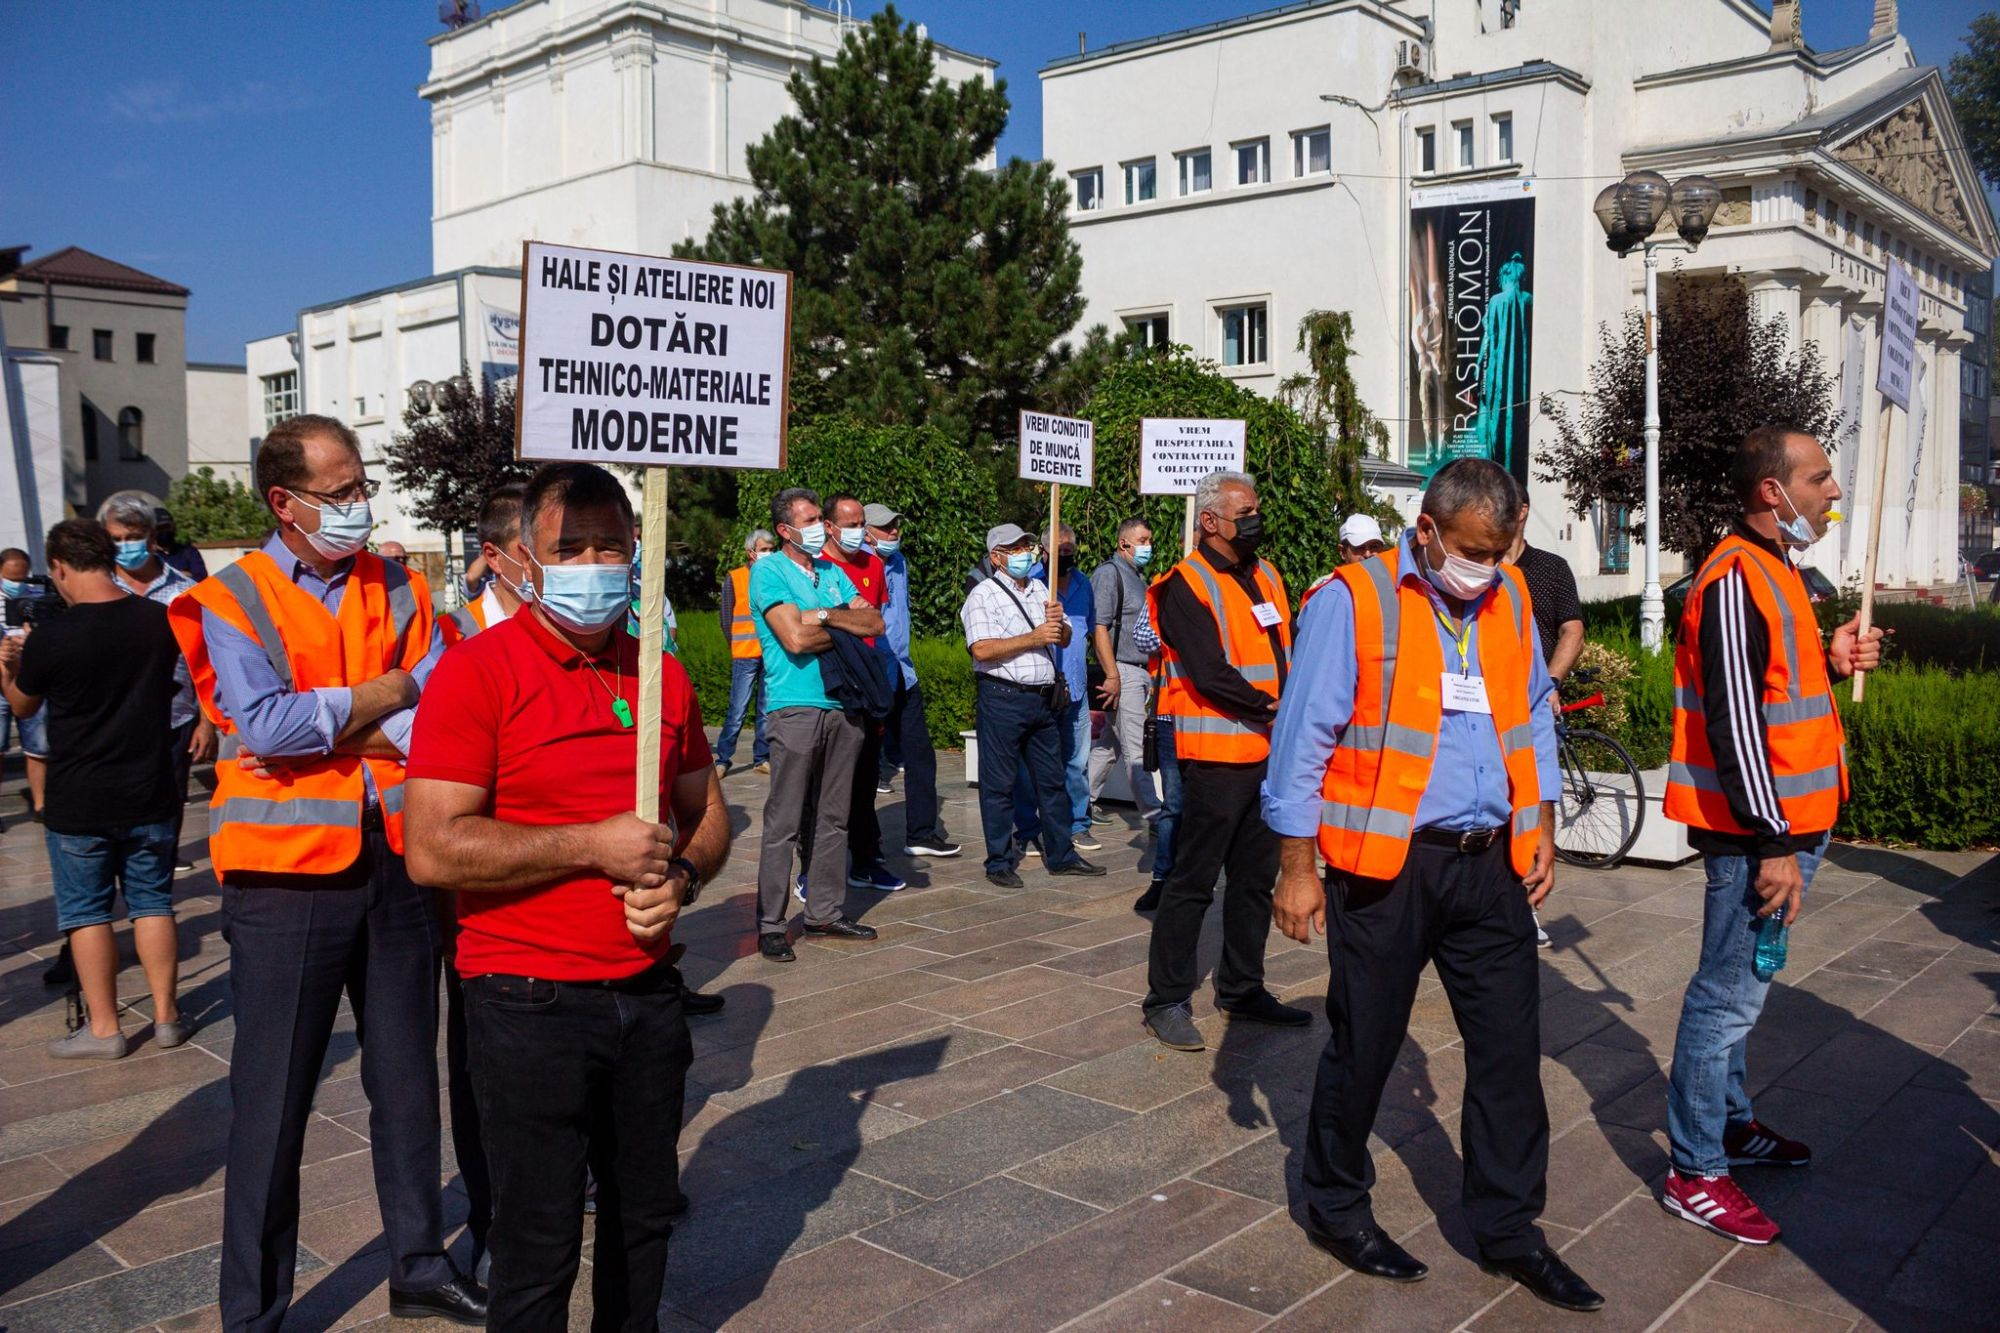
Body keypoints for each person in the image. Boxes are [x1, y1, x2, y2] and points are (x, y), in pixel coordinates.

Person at [168, 414, 484, 1330]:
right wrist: (389, 693)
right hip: (284, 877)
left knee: (404, 1079)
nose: (359, 503)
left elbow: (444, 699)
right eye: (340, 491)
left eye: (360, 485)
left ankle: (418, 1264)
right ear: (285, 500)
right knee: (270, 1103)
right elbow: (262, 726)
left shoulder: (402, 582)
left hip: (395, 855)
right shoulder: (232, 597)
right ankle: (255, 1310)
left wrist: (338, 714)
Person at [1263, 458, 1602, 1313]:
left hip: (1489, 864)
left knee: (1507, 1052)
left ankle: (1508, 1226)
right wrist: (1297, 869)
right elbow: (1302, 740)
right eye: (1474, 550)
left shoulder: (1512, 599)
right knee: (1364, 1043)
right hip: (1387, 869)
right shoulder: (1353, 600)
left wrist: (1543, 826)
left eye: (1503, 548)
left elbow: (1530, 713)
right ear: (1427, 530)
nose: (1487, 566)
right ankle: (1336, 1205)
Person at [405, 461, 732, 1331]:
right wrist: (591, 844)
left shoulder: (660, 672)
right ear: (522, 559)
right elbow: (432, 846)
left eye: (611, 546)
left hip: (646, 995)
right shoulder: (476, 672)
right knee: (537, 1241)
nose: (594, 562)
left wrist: (684, 879)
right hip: (525, 1000)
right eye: (570, 546)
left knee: (644, 1223)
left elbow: (709, 813)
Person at [1658, 426, 1880, 1246]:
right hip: (1761, 835)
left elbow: (1778, 678)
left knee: (1747, 988)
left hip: (1791, 824)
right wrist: (1773, 842)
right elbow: (1735, 721)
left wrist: (1833, 651)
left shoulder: (1777, 567)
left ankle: (1731, 1122)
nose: (1833, 491)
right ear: (1769, 491)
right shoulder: (1729, 579)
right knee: (1725, 997)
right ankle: (1694, 1168)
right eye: (1819, 478)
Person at [0, 520, 187, 1059]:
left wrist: (7, 670)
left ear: (58, 567)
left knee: (87, 912)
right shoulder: (158, 620)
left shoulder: (53, 635)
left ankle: (105, 1029)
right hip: (149, 784)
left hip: (80, 794)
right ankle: (168, 1016)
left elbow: (22, 707)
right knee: (153, 902)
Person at [1140, 471, 1308, 1051]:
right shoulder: (1185, 584)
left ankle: (1242, 987)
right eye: (1244, 510)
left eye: (1256, 507)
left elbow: (1284, 651)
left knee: (1255, 881)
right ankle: (1166, 1000)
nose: (1255, 518)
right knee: (1192, 882)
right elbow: (1210, 673)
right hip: (1216, 757)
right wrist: (1275, 707)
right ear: (1209, 520)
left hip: (1268, 752)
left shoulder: (1265, 574)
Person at [751, 487, 885, 961]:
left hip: (843, 706)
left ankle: (824, 913)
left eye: (818, 519)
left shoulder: (831, 572)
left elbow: (874, 623)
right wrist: (840, 622)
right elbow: (794, 638)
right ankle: (770, 922)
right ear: (785, 530)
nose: (818, 528)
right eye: (807, 520)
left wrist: (824, 615)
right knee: (785, 820)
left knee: (833, 818)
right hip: (796, 705)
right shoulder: (768, 570)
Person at [962, 523, 1106, 889]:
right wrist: (1033, 637)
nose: (1024, 552)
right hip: (1003, 698)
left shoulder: (1040, 588)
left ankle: (1061, 854)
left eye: (1027, 545)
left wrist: (1062, 627)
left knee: (1052, 780)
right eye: (1015, 548)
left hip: (1042, 699)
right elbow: (982, 649)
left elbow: (1061, 636)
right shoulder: (983, 595)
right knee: (999, 784)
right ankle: (998, 860)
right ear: (997, 557)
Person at [100, 491, 217, 876]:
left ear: (151, 538)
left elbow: (205, 661)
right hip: (111, 721)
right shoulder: (98, 589)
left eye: (130, 537)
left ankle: (159, 873)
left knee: (169, 801)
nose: (123, 546)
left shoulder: (184, 592)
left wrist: (205, 722)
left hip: (175, 717)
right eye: (114, 538)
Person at [798, 494, 903, 892]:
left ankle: (865, 859)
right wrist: (845, 619)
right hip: (825, 683)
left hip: (866, 683)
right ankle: (810, 868)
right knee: (817, 786)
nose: (860, 530)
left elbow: (874, 622)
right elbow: (806, 626)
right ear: (828, 526)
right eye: (852, 523)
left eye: (862, 522)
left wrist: (841, 619)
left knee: (863, 781)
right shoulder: (815, 569)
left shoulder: (873, 565)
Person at [1505, 488, 1582, 950]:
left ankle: (1527, 906)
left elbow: (1572, 627)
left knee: (1534, 799)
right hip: (1488, 706)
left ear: (1523, 512)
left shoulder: (1549, 569)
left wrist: (1550, 681)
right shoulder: (1483, 569)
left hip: (1535, 701)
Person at [865, 503, 958, 857]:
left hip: (903, 670)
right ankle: (866, 845)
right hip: (873, 673)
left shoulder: (899, 561)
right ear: (867, 532)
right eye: (886, 528)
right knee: (866, 763)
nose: (894, 533)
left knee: (921, 754)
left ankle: (921, 832)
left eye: (896, 526)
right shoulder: (856, 562)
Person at [1014, 524, 1098, 858]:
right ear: (1044, 551)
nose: (1065, 554)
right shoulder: (1032, 585)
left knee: (1076, 761)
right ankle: (1028, 827)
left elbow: (1092, 630)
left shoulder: (1083, 584)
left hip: (1075, 687)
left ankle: (1078, 823)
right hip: (1041, 688)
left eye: (1070, 548)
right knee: (1030, 764)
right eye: (1058, 549)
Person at [1087, 518, 1160, 829]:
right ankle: (1157, 817)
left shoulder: (1137, 576)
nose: (1148, 546)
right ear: (1123, 543)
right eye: (1142, 540)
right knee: (1136, 748)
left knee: (1110, 744)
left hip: (1139, 672)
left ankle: (1079, 802)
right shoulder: (1109, 574)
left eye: (1149, 540)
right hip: (1123, 671)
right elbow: (1098, 626)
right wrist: (1112, 674)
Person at [1130, 590, 1180, 914]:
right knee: (1174, 803)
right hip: (1170, 718)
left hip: (1212, 723)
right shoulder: (1165, 592)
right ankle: (1162, 878)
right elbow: (1143, 637)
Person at [715, 529, 776, 775]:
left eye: (771, 549)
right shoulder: (736, 577)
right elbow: (726, 617)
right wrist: (736, 644)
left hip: (770, 653)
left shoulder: (774, 577)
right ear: (751, 552)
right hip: (744, 653)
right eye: (764, 549)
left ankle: (761, 758)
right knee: (737, 709)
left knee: (764, 711)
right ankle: (723, 759)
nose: (769, 553)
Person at [443, 482, 529, 644]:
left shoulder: (578, 631)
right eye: (532, 549)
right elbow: (471, 577)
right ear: (494, 557)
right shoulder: (450, 634)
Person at [0, 548, 51, 822]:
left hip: (30, 676)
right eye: (11, 577)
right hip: (1, 679)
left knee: (37, 746)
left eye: (22, 577)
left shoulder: (38, 598)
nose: (17, 583)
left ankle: (41, 805)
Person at [154, 507, 209, 581]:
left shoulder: (189, 552)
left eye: (166, 527)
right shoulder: (148, 557)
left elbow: (201, 578)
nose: (164, 531)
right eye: (159, 528)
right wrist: (184, 574)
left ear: (174, 527)